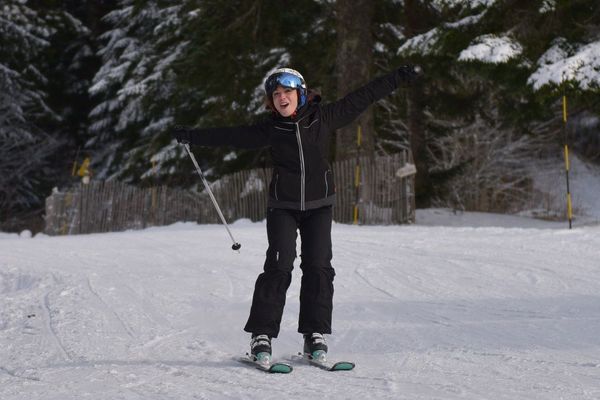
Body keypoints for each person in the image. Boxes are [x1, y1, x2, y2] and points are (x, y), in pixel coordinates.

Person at [172, 65, 421, 362]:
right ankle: (261, 335)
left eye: (287, 91)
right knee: (279, 266)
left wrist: (399, 76)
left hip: (319, 206)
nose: (281, 97)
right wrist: (192, 135)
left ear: (300, 93)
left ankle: (314, 334)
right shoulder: (270, 129)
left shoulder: (324, 117)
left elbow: (363, 96)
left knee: (318, 268)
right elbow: (232, 135)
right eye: (275, 94)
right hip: (283, 207)